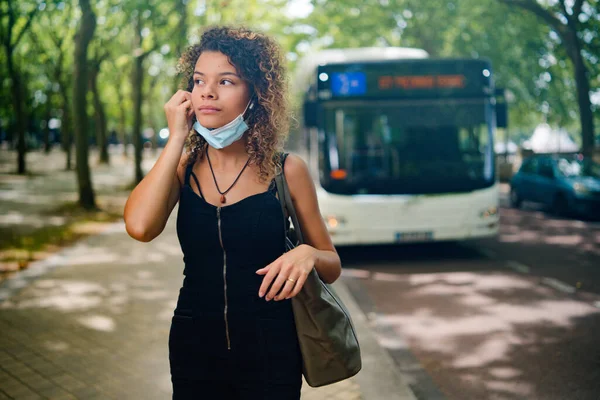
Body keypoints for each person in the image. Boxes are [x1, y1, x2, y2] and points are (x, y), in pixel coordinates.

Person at [123, 26, 341, 399]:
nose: (207, 91)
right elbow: (141, 227)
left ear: (256, 93)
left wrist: (308, 253)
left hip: (271, 347)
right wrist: (176, 138)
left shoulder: (287, 171)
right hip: (194, 344)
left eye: (226, 81)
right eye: (198, 81)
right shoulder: (183, 167)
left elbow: (331, 265)